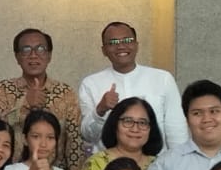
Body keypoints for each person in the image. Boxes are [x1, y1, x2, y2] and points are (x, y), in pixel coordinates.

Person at [0, 29, 86, 170]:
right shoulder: (3, 89)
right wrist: (24, 104)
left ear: (49, 55)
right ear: (17, 57)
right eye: (26, 49)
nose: (33, 55)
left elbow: (75, 139)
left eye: (40, 49)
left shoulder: (65, 92)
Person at [78, 22, 186, 152]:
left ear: (136, 45)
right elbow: (88, 136)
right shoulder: (90, 84)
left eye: (127, 40)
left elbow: (177, 131)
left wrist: (179, 161)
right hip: (109, 162)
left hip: (156, 162)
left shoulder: (163, 79)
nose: (121, 46)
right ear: (104, 50)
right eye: (113, 42)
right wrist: (100, 109)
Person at [78, 98, 163, 170]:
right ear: (115, 125)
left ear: (150, 128)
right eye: (128, 121)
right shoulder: (96, 163)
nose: (135, 129)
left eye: (142, 123)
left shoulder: (160, 164)